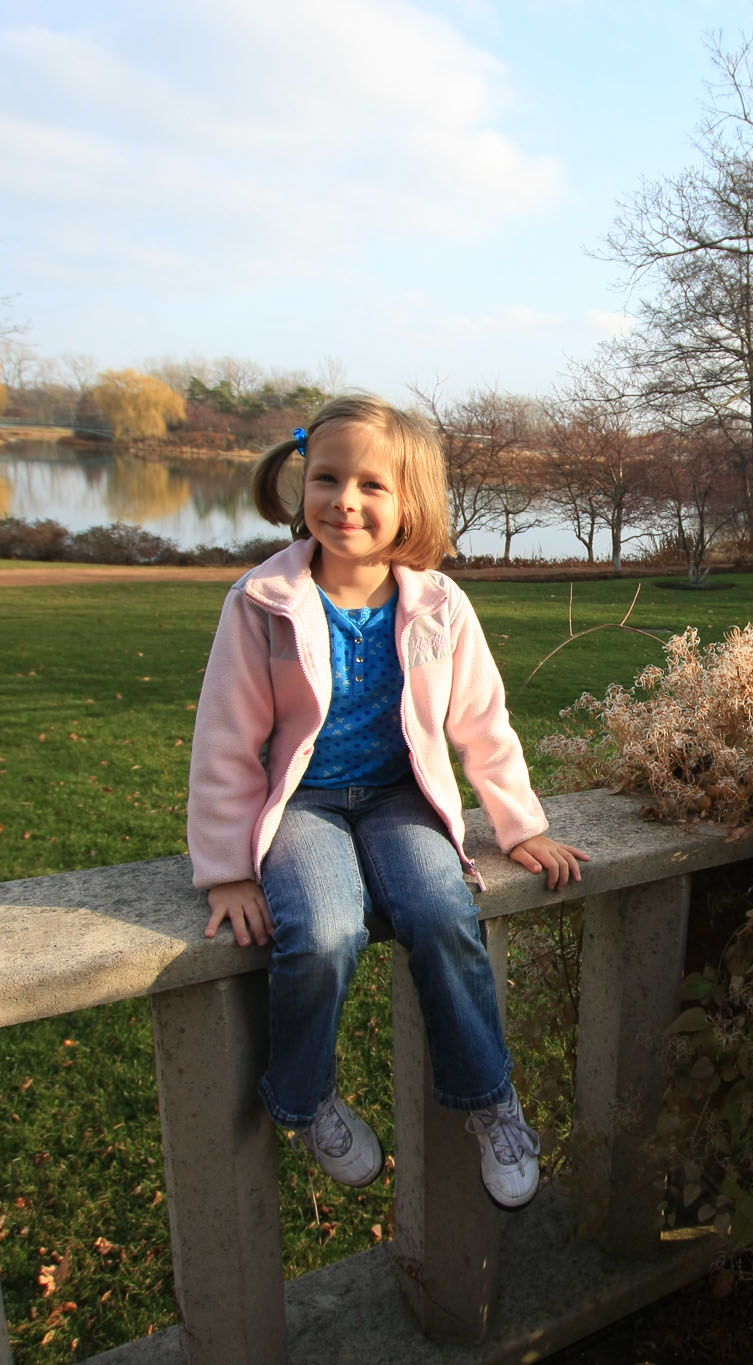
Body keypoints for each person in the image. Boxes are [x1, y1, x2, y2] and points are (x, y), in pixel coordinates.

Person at [186, 393, 588, 1209]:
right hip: (305, 804)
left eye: (372, 484)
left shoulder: (439, 605)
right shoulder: (262, 602)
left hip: (401, 798)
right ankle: (306, 1097)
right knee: (325, 930)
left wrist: (520, 825)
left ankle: (489, 1098)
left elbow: (482, 723)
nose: (346, 501)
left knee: (442, 911)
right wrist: (227, 871)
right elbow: (225, 740)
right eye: (328, 478)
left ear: (411, 501)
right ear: (302, 482)